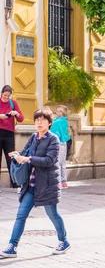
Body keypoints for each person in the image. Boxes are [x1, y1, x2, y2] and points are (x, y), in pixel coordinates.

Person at [0, 107, 70, 258]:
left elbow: (49, 160)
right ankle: (12, 246)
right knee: (21, 215)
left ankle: (64, 241)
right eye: (37, 120)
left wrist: (28, 159)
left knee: (53, 215)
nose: (39, 122)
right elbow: (25, 153)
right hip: (31, 186)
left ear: (49, 122)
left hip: (47, 185)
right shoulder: (33, 137)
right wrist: (17, 155)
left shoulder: (53, 139)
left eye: (42, 120)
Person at [0, 85, 25, 189]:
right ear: (1, 93)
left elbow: (21, 118)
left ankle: (15, 184)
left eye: (8, 95)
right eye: (5, 95)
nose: (6, 97)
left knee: (11, 158)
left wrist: (16, 114)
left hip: (9, 134)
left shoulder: (13, 103)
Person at [50, 105, 70, 189]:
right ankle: (62, 181)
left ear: (62, 113)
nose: (56, 112)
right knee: (61, 162)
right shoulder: (61, 120)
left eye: (59, 111)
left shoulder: (60, 121)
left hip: (60, 142)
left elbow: (54, 131)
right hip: (62, 142)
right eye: (56, 110)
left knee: (59, 162)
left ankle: (60, 181)